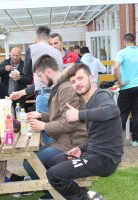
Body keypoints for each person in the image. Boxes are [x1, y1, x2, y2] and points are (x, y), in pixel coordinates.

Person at [45, 63, 124, 200]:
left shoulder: (101, 96)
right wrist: (80, 149)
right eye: (73, 81)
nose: (77, 84)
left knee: (54, 174)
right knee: (51, 163)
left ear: (91, 78)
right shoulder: (90, 102)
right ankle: (86, 195)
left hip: (105, 159)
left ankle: (87, 198)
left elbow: (113, 110)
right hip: (92, 152)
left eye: (80, 78)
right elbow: (97, 136)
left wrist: (79, 114)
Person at [24, 55, 87, 200]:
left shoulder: (65, 89)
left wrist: (44, 125)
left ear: (47, 71)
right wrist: (40, 115)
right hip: (63, 140)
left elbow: (70, 122)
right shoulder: (61, 87)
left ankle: (54, 194)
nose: (39, 80)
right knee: (31, 158)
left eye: (39, 76)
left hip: (72, 143)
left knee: (30, 163)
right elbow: (58, 115)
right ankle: (54, 192)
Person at [10, 25, 63, 144]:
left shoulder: (32, 49)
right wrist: (21, 93)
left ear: (35, 38)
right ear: (49, 39)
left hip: (44, 97)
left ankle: (50, 159)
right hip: (59, 95)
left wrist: (20, 78)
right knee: (56, 131)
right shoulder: (58, 53)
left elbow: (28, 77)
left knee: (46, 135)